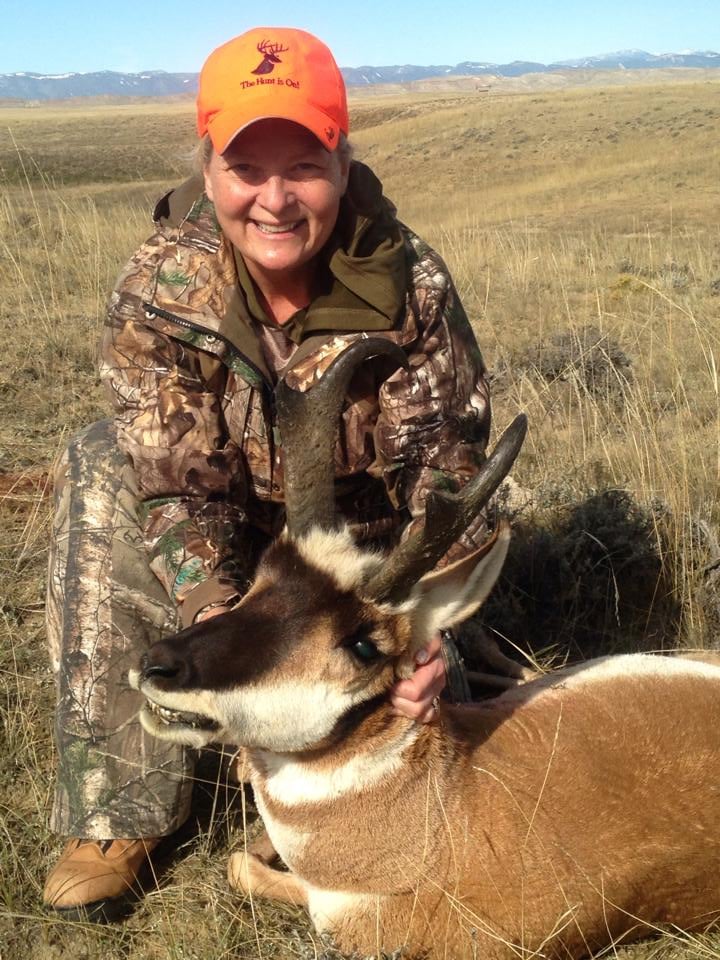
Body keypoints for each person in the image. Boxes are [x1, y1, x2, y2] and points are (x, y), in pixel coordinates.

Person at [42, 26, 491, 921]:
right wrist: (221, 627)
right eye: (247, 169)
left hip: (357, 572)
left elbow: (451, 479)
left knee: (446, 726)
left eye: (304, 166)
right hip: (231, 543)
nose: (276, 200)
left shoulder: (415, 288)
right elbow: (174, 486)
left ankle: (308, 806)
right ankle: (119, 804)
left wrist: (421, 634)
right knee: (99, 462)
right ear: (208, 173)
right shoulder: (163, 285)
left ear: (342, 163)